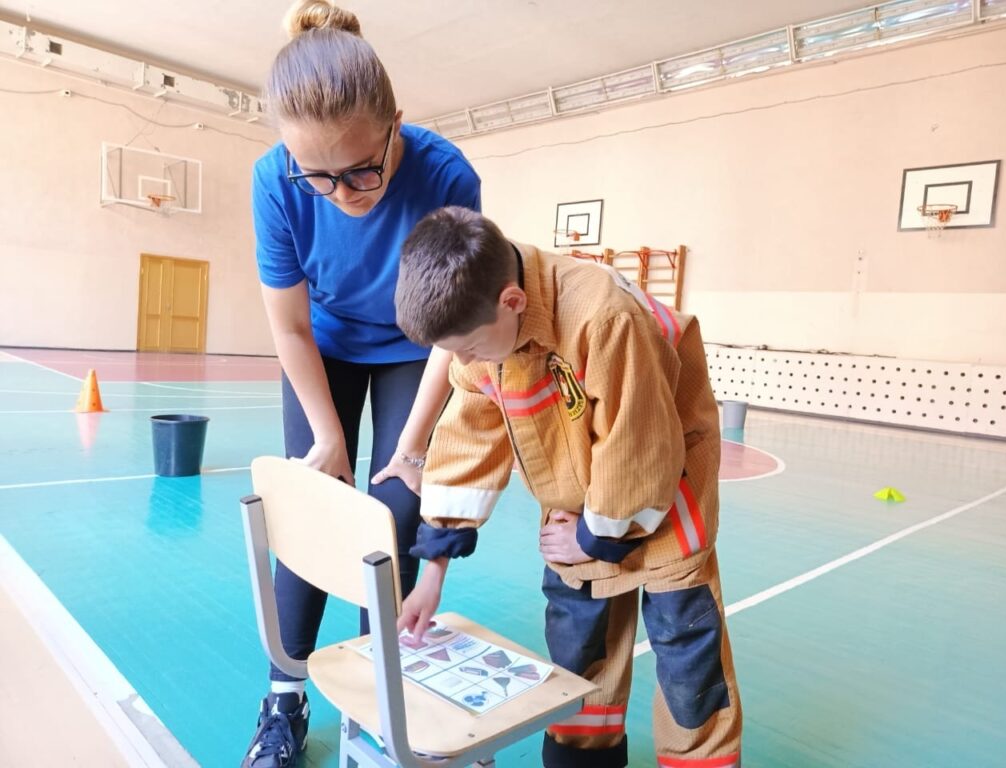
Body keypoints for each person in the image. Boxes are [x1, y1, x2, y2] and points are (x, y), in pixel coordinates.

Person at [393, 207, 742, 768]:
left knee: (687, 656)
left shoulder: (604, 318)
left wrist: (591, 538)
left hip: (667, 492)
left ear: (512, 302)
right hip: (581, 502)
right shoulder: (485, 340)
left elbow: (640, 447)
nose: (461, 365)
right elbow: (466, 445)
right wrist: (432, 573)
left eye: (470, 349)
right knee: (580, 654)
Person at [242, 1, 481, 766]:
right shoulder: (273, 182)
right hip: (328, 346)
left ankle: (381, 676)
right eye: (320, 177)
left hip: (418, 343)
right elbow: (288, 326)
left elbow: (454, 328)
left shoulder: (445, 175)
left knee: (396, 509)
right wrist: (328, 436)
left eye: (362, 170)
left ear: (396, 125)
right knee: (312, 508)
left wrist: (410, 451)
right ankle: (285, 692)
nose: (344, 193)